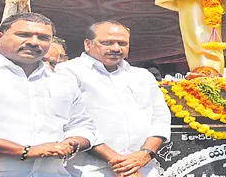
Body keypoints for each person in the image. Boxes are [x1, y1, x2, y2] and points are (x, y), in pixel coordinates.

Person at [0, 13, 96, 177]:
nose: (33, 42)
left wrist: (71, 143)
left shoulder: (63, 82)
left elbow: (83, 126)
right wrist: (25, 151)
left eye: (43, 38)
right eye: (23, 35)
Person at [56, 21, 171, 177]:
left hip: (144, 168)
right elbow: (72, 123)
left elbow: (160, 118)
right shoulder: (68, 72)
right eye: (107, 42)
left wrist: (146, 153)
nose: (116, 48)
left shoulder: (142, 76)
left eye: (122, 43)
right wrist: (122, 166)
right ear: (88, 44)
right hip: (90, 170)